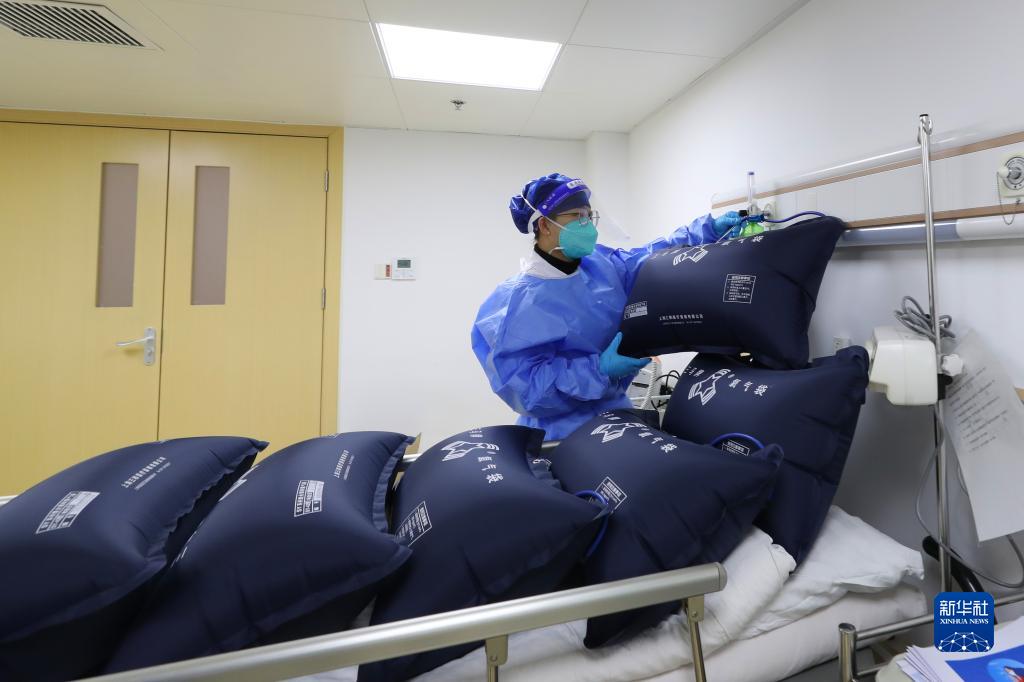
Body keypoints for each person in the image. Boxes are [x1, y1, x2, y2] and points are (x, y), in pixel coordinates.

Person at [471, 172, 743, 441]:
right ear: (544, 225)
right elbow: (529, 389)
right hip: (560, 435)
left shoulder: (601, 265)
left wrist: (705, 231)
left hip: (616, 415)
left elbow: (651, 257)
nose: (588, 225)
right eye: (577, 216)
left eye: (589, 216)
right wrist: (599, 370)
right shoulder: (515, 303)